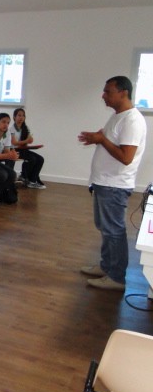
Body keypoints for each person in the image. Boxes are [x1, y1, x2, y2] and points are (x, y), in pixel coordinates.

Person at [78, 76, 147, 291]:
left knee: (114, 231)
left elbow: (126, 157)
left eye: (108, 91)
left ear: (123, 93)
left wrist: (102, 140)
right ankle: (106, 266)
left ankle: (116, 277)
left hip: (114, 185)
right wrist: (98, 138)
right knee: (106, 228)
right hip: (104, 183)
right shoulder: (118, 116)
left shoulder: (132, 120)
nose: (103, 95)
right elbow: (112, 143)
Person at [10, 108, 45, 189]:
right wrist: (26, 140)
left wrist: (30, 140)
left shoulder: (25, 128)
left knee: (40, 159)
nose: (21, 117)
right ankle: (24, 176)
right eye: (19, 115)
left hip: (23, 149)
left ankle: (33, 180)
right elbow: (14, 142)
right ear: (14, 117)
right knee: (32, 159)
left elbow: (30, 140)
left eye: (23, 116)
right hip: (15, 150)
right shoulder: (12, 128)